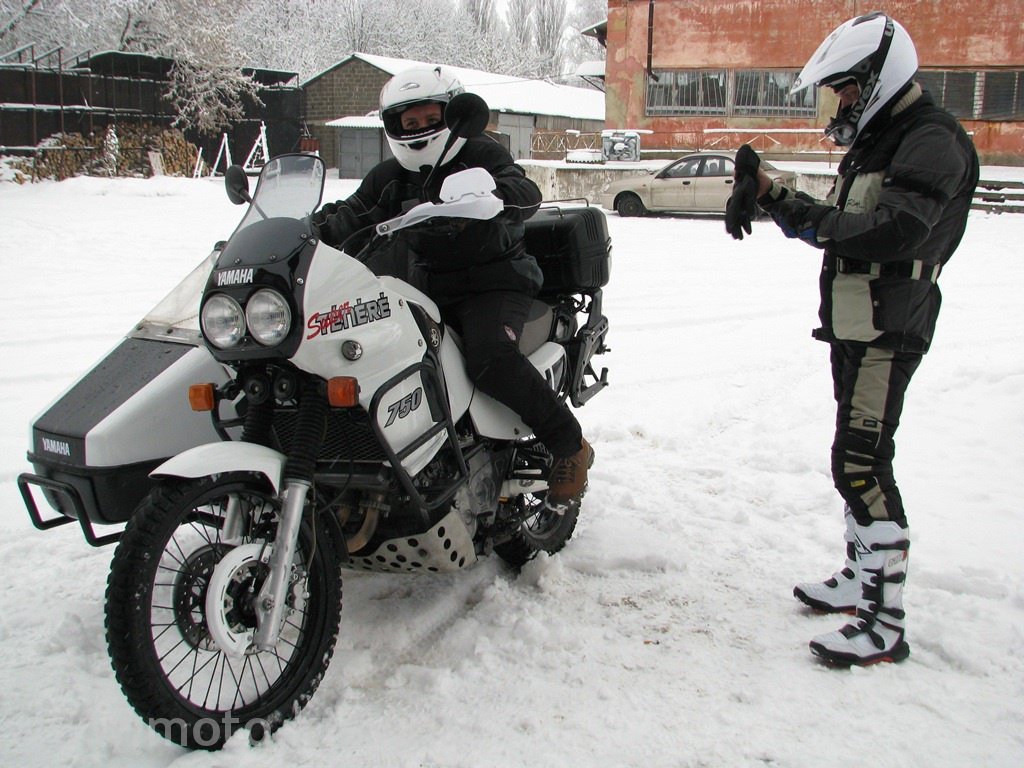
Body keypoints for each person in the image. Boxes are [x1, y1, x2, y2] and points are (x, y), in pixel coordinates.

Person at [725, 12, 979, 665]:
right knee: (854, 458)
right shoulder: (882, 142)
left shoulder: (931, 140)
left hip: (890, 326)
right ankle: (860, 576)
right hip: (857, 322)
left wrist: (803, 215)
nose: (839, 103)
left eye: (845, 89)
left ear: (878, 79)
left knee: (862, 464)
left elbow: (891, 231)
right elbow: (845, 221)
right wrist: (768, 193)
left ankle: (884, 621)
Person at [314, 65, 593, 510]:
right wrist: (306, 232)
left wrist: (496, 196)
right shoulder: (389, 177)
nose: (420, 129)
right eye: (410, 122)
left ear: (453, 116)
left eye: (430, 118)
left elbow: (524, 189)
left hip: (497, 282)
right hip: (427, 289)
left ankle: (569, 444)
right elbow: (352, 213)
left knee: (490, 357)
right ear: (393, 126)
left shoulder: (481, 153)